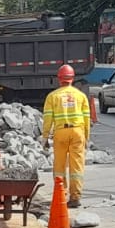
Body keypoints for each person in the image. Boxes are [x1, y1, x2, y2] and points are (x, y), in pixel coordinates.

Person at [42, 64, 91, 209]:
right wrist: (86, 137)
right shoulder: (81, 96)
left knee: (59, 166)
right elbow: (87, 119)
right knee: (77, 166)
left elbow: (48, 118)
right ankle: (75, 197)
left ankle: (60, 195)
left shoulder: (53, 96)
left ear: (59, 79)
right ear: (72, 79)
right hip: (77, 132)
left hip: (60, 133)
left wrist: (45, 137)